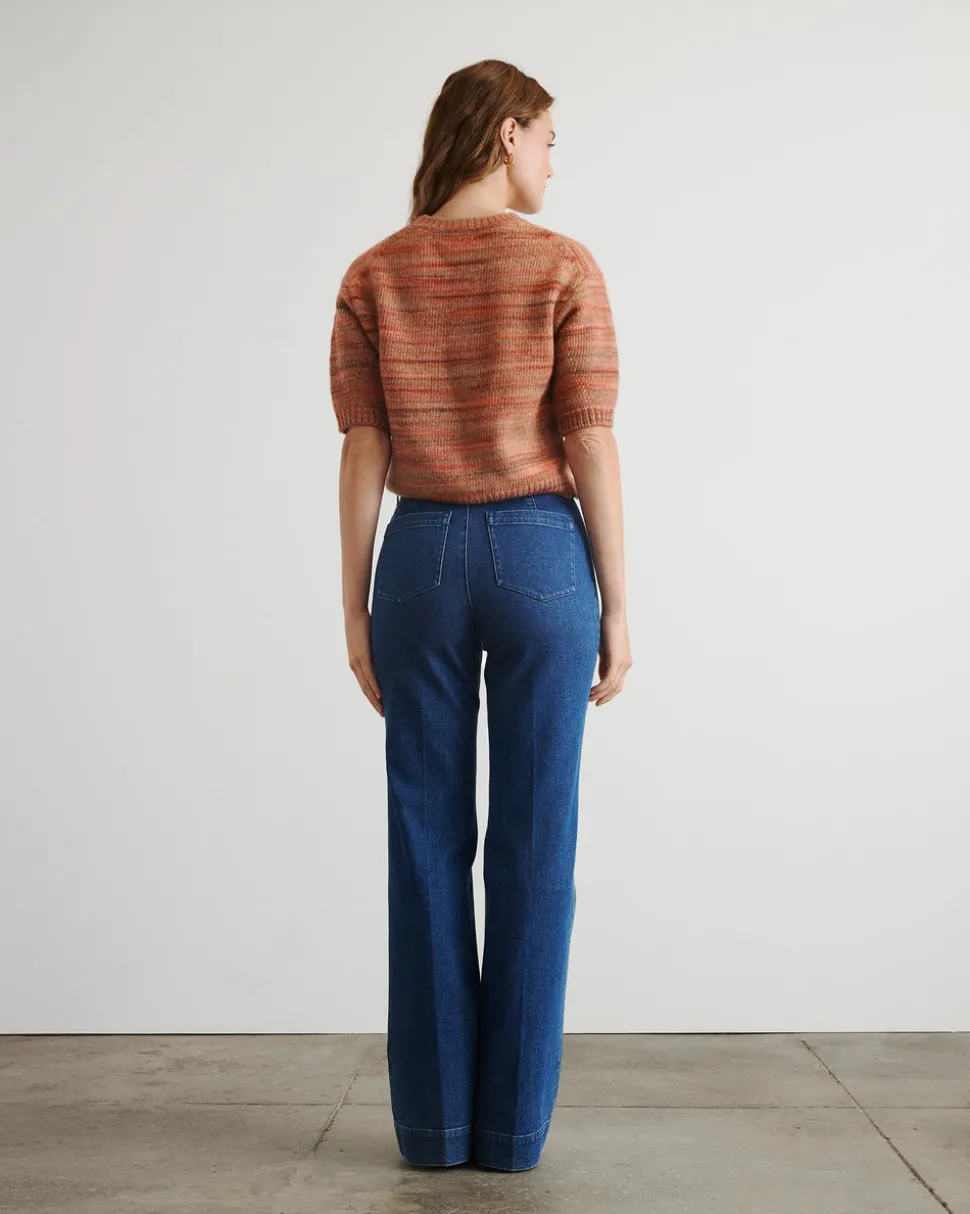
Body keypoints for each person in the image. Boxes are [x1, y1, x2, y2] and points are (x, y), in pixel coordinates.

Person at [328, 58, 633, 1174]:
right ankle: (509, 1136)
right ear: (506, 134)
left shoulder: (375, 272)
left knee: (424, 838)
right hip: (544, 556)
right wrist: (619, 600)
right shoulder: (562, 265)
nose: (552, 161)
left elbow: (364, 447)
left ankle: (435, 1130)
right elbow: (589, 438)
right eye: (548, 138)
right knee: (537, 840)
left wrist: (353, 606)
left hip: (417, 558)